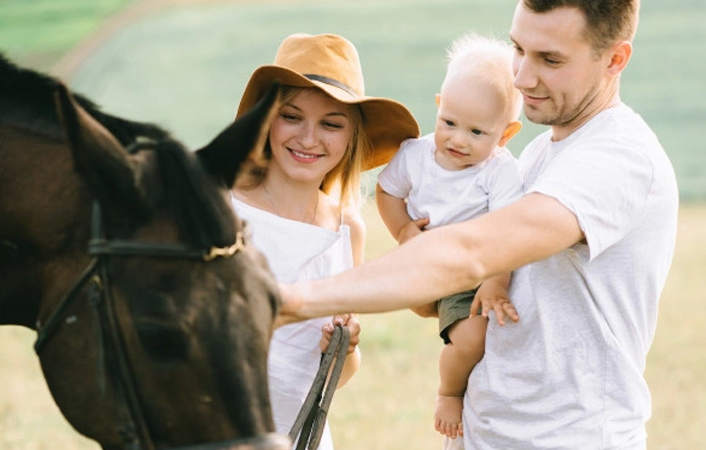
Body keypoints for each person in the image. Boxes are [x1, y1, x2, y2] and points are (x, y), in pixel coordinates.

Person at [277, 1, 679, 449]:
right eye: (519, 49)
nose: (522, 76)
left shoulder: (618, 159)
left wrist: (291, 300)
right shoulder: (539, 154)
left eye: (550, 59)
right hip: (485, 433)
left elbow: (474, 252)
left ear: (615, 59)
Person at [231, 33, 419, 449]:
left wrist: (344, 346)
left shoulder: (347, 230)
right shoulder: (224, 209)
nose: (309, 138)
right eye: (292, 116)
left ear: (352, 137)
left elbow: (340, 375)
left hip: (301, 439)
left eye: (331, 124)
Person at [375, 33, 523, 439]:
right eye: (449, 124)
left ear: (506, 134)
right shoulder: (415, 155)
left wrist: (495, 280)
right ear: (439, 106)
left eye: (477, 133)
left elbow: (512, 231)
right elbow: (387, 191)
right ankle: (449, 387)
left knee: (473, 337)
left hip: (473, 271)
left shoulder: (500, 172)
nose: (458, 140)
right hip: (425, 261)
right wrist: (403, 229)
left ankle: (450, 392)